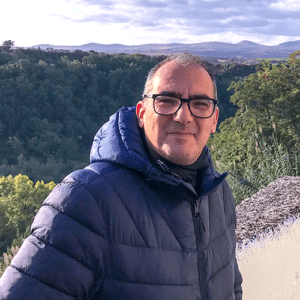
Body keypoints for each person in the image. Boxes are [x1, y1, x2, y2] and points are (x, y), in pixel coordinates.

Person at [0, 53, 243, 299]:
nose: (183, 116)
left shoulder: (217, 192)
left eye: (200, 104)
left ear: (214, 119)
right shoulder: (85, 199)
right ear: (141, 113)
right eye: (167, 100)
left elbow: (231, 284)